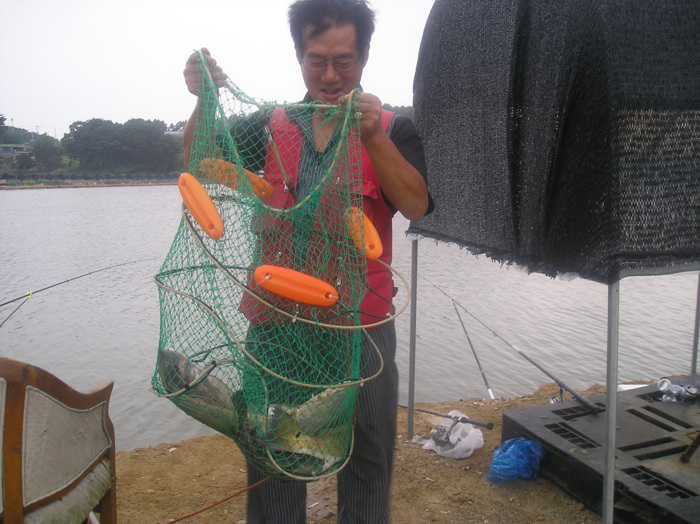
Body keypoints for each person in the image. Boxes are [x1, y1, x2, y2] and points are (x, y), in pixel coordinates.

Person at [182, 1, 431, 522]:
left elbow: (415, 204)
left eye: (344, 61)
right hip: (276, 322)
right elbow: (198, 160)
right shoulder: (271, 125)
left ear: (365, 56)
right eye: (317, 61)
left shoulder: (393, 128)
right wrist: (205, 99)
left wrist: (373, 138)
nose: (331, 76)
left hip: (361, 326)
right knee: (272, 453)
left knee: (367, 453)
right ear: (299, 56)